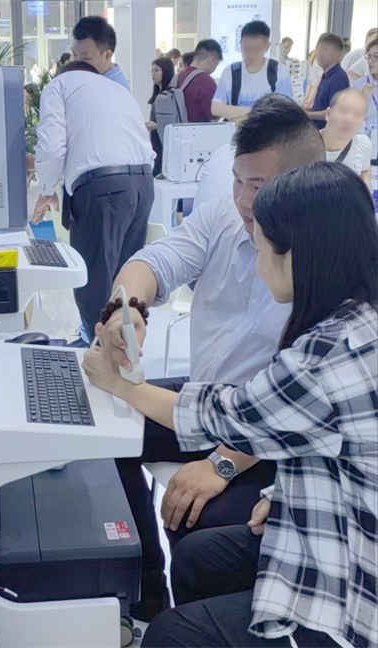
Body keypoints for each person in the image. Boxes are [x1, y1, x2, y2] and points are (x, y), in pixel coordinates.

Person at [85, 161, 378, 648]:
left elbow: (230, 416)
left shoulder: (325, 355)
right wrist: (127, 310)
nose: (255, 262)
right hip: (325, 508)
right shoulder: (356, 315)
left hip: (350, 583)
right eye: (238, 180)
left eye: (260, 250)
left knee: (172, 635)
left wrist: (121, 385)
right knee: (197, 558)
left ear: (297, 255)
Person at [94, 95, 325, 622]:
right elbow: (155, 261)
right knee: (102, 426)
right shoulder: (224, 214)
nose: (243, 200)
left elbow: (295, 403)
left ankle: (197, 625)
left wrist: (220, 464)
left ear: (303, 184)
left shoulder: (321, 263)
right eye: (237, 180)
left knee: (196, 514)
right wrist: (128, 310)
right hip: (210, 400)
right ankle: (144, 597)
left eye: (258, 187)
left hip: (272, 440)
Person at [32, 61, 154, 344]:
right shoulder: (117, 89)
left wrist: (47, 188)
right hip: (143, 183)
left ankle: (98, 349)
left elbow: (51, 147)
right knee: (125, 278)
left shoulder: (59, 85)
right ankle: (123, 350)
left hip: (103, 189)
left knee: (93, 280)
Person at [212, 21, 293, 122]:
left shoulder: (278, 71)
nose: (250, 54)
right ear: (240, 44)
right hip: (238, 131)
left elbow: (286, 110)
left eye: (256, 49)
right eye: (246, 48)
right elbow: (216, 108)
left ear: (267, 47)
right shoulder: (231, 72)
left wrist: (235, 113)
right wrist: (258, 112)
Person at [321, 89, 372, 187]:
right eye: (343, 111)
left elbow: (365, 170)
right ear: (328, 114)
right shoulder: (305, 145)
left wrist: (367, 190)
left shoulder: (364, 144)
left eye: (357, 114)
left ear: (362, 122)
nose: (349, 119)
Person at [304, 33, 349, 129]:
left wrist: (308, 115)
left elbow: (334, 112)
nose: (320, 53)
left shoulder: (338, 78)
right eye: (319, 49)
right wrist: (309, 110)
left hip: (329, 133)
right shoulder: (326, 75)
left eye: (325, 49)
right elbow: (323, 106)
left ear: (338, 54)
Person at [71, 16, 129, 89]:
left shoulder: (115, 90)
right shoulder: (90, 80)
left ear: (107, 55)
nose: (77, 63)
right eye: (74, 54)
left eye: (85, 58)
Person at [175, 39, 223, 123]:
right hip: (197, 129)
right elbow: (213, 115)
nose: (215, 67)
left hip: (174, 128)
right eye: (217, 63)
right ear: (212, 60)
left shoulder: (177, 77)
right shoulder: (206, 81)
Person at [146, 57, 175, 176]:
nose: (153, 74)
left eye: (156, 70)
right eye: (151, 71)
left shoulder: (170, 95)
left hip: (165, 143)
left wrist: (157, 126)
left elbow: (173, 122)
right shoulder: (158, 95)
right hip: (155, 141)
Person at [353, 37, 378, 161]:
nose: (371, 61)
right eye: (369, 56)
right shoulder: (359, 86)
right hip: (367, 147)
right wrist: (361, 98)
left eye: (376, 56)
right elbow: (349, 117)